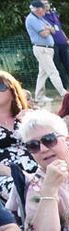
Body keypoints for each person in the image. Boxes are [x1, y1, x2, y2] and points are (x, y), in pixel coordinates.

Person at [0, 70, 39, 205]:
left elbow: (47, 142)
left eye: (1, 86)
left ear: (12, 91)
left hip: (38, 169)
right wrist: (17, 175)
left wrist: (32, 122)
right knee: (24, 190)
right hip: (6, 175)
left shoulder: (26, 117)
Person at [25, 0, 67, 105]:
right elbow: (44, 34)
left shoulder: (40, 18)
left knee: (42, 74)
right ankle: (64, 94)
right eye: (44, 9)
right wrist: (48, 29)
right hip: (42, 49)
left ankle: (39, 97)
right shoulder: (32, 19)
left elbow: (53, 30)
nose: (46, 10)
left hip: (47, 49)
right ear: (38, 10)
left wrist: (48, 29)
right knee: (53, 72)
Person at [39, 1, 69, 90]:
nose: (46, 5)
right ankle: (64, 90)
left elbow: (59, 27)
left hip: (62, 43)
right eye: (43, 4)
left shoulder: (54, 14)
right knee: (58, 68)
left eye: (47, 3)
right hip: (52, 45)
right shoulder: (40, 17)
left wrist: (65, 38)